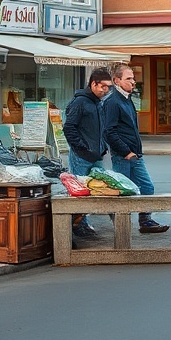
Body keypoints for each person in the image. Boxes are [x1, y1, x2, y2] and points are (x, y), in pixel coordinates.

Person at [102, 64, 169, 234]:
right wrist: (126, 152)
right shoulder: (112, 102)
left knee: (146, 187)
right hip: (124, 155)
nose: (133, 82)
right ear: (116, 80)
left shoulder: (127, 99)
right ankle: (119, 222)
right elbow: (109, 132)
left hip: (134, 154)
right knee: (123, 190)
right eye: (128, 79)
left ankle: (145, 220)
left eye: (133, 78)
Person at [62, 68, 112, 238]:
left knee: (97, 189)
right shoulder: (80, 102)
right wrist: (81, 147)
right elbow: (69, 127)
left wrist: (103, 147)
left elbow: (100, 128)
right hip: (82, 156)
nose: (106, 90)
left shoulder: (98, 102)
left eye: (108, 87)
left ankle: (82, 223)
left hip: (96, 155)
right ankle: (78, 225)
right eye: (103, 86)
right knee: (80, 192)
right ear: (93, 84)